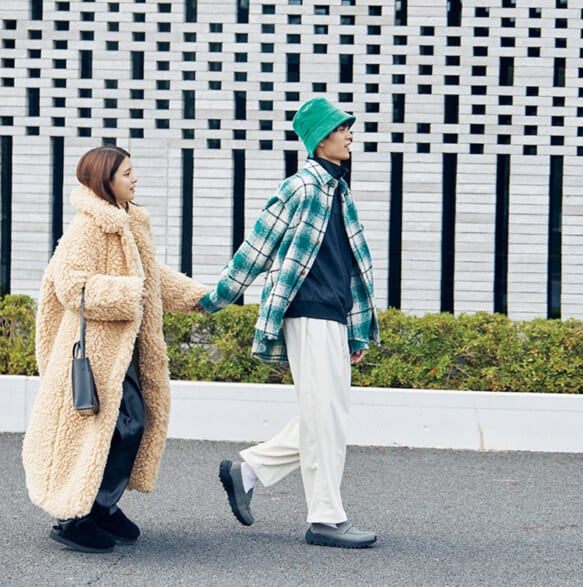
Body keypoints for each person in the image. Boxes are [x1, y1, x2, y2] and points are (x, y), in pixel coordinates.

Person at [199, 97, 380, 549]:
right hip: (308, 311)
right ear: (321, 138)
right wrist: (215, 298)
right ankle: (325, 518)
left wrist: (355, 329)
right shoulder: (301, 187)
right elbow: (257, 247)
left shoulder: (338, 190)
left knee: (328, 416)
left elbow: (351, 270)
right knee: (326, 419)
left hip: (333, 315)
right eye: (341, 129)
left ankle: (248, 471)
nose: (350, 135)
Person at [22, 145, 209, 553]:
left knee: (129, 423)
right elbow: (72, 284)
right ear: (106, 180)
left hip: (120, 350)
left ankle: (100, 506)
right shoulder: (88, 227)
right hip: (95, 351)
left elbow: (150, 276)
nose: (134, 178)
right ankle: (74, 518)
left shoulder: (126, 223)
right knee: (111, 426)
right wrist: (125, 292)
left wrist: (195, 296)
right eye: (127, 173)